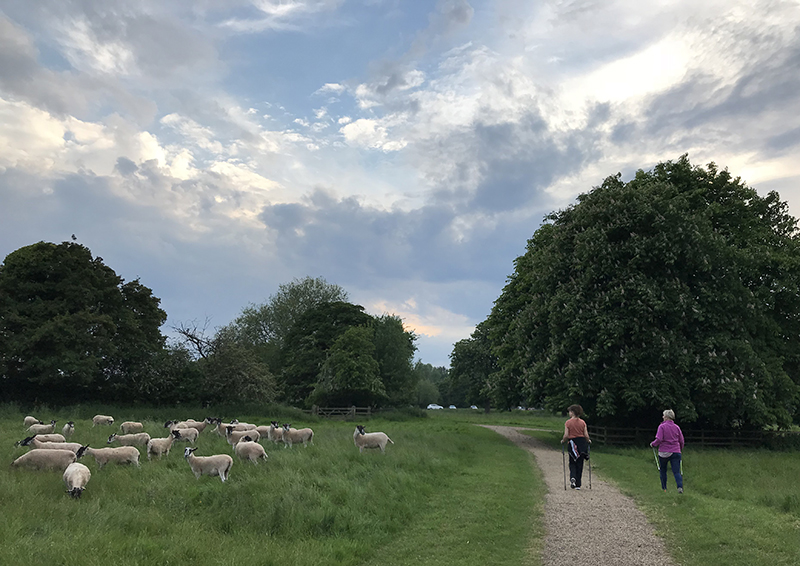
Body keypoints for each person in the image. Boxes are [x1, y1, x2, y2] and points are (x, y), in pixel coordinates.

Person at [650, 409, 684, 493]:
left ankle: (664, 488)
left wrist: (653, 444)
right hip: (676, 451)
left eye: (663, 415)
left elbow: (659, 439)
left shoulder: (662, 426)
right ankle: (680, 487)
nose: (663, 417)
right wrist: (680, 449)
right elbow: (681, 440)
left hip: (664, 451)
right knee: (676, 471)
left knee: (663, 470)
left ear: (666, 417)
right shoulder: (677, 427)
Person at [561, 404, 591, 489]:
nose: (569, 413)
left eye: (570, 411)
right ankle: (578, 483)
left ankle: (572, 477)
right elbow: (586, 435)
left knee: (572, 462)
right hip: (581, 443)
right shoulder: (582, 422)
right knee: (580, 463)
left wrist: (563, 440)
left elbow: (566, 435)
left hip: (572, 443)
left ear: (573, 412)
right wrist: (588, 441)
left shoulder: (568, 422)